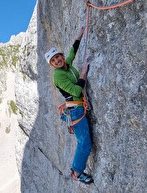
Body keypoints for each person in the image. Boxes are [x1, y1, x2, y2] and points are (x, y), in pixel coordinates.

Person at [44, 27, 93, 184]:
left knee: (84, 141)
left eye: (58, 57)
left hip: (77, 108)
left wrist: (79, 36)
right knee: (84, 143)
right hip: (75, 111)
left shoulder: (67, 64)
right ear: (52, 64)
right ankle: (77, 173)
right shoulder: (58, 76)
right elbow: (76, 90)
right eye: (54, 60)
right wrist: (83, 74)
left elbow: (72, 53)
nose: (57, 61)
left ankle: (76, 170)